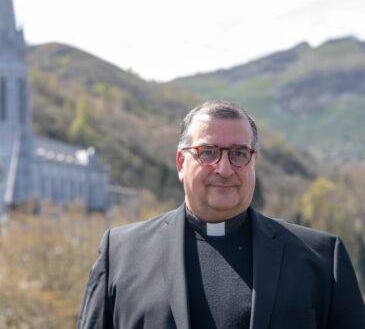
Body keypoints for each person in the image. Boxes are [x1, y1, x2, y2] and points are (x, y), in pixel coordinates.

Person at [78, 100, 365, 329]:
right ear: (181, 163)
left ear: (254, 162)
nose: (224, 169)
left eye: (239, 153)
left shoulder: (322, 258)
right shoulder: (121, 254)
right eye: (207, 152)